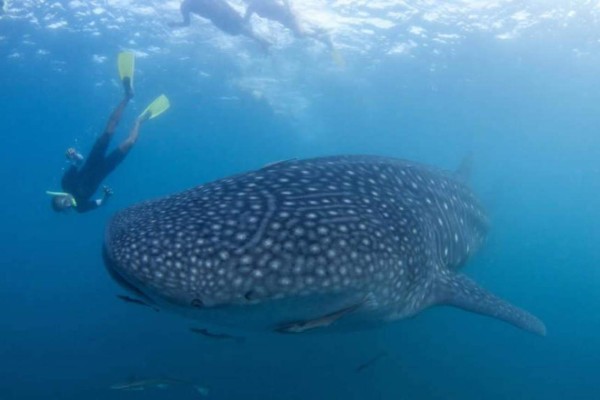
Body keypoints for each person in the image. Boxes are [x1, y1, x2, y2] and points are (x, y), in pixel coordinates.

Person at [48, 53, 170, 214]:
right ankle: (139, 121)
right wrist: (106, 196)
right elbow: (100, 203)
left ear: (59, 196)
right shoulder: (81, 207)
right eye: (65, 206)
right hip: (107, 167)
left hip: (93, 157)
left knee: (110, 128)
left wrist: (73, 155)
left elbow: (79, 162)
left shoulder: (66, 183)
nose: (67, 203)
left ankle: (127, 96)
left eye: (62, 201)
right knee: (131, 142)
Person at [168, 0, 270, 51]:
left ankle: (263, 42)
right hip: (218, 17)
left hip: (225, 12)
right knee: (238, 31)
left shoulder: (185, 6)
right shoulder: (185, 6)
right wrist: (176, 24)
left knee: (242, 28)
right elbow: (186, 23)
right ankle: (263, 42)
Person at [243, 0, 334, 50]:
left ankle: (323, 37)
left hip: (291, 15)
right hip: (285, 20)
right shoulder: (251, 7)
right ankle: (320, 31)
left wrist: (288, 9)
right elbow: (245, 20)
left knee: (299, 33)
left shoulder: (260, 2)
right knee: (300, 32)